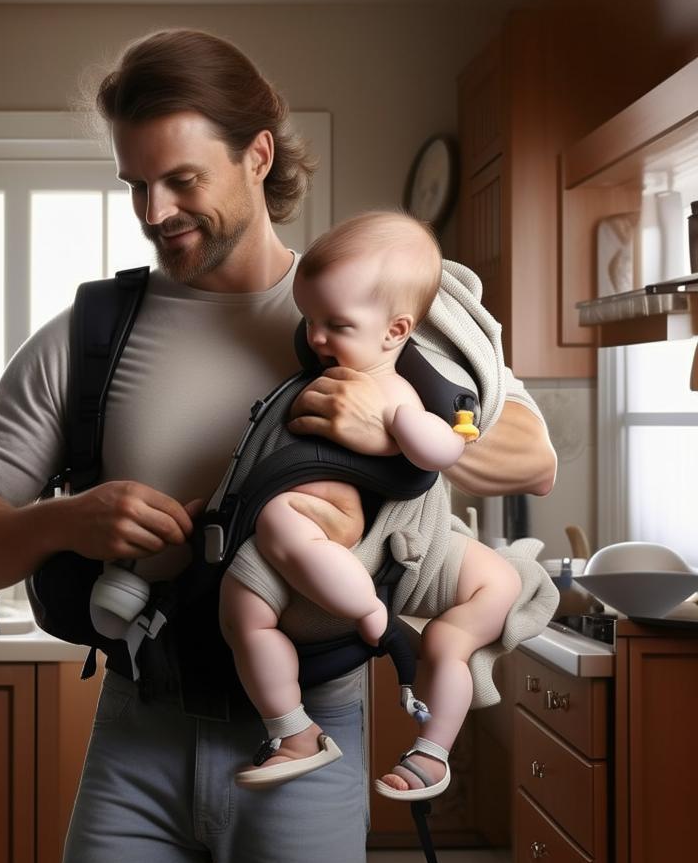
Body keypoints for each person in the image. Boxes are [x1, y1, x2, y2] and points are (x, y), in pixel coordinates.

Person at [0, 28, 557, 863]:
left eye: (179, 179)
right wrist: (65, 519)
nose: (153, 211)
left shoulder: (361, 297)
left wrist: (393, 420)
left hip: (319, 729)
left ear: (259, 155)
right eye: (134, 184)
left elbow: (534, 455)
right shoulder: (88, 336)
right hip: (137, 737)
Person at [221, 211, 523, 796]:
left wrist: (412, 430)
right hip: (320, 537)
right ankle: (292, 727)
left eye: (336, 324)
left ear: (395, 330)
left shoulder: (395, 391)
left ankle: (432, 748)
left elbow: (441, 449)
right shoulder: (317, 373)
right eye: (309, 320)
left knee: (486, 599)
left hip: (384, 541)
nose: (316, 338)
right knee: (241, 613)